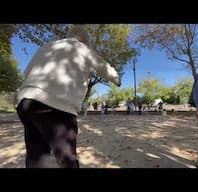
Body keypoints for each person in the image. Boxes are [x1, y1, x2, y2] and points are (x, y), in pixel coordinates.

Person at [15, 26, 121, 168]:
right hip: (57, 106)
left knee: (36, 157)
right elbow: (104, 68)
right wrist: (117, 79)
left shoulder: (47, 46)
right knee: (67, 161)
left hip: (26, 103)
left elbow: (26, 73)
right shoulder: (82, 48)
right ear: (84, 41)